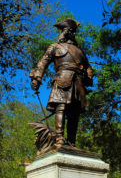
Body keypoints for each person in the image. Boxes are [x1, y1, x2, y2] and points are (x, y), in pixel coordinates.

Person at [29, 18, 93, 147]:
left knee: (74, 113)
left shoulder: (80, 51)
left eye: (73, 31)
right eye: (70, 31)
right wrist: (37, 78)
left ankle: (71, 141)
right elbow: (43, 63)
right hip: (63, 79)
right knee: (61, 108)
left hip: (78, 83)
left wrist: (88, 75)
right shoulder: (55, 47)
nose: (73, 34)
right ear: (66, 32)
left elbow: (88, 67)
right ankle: (59, 137)